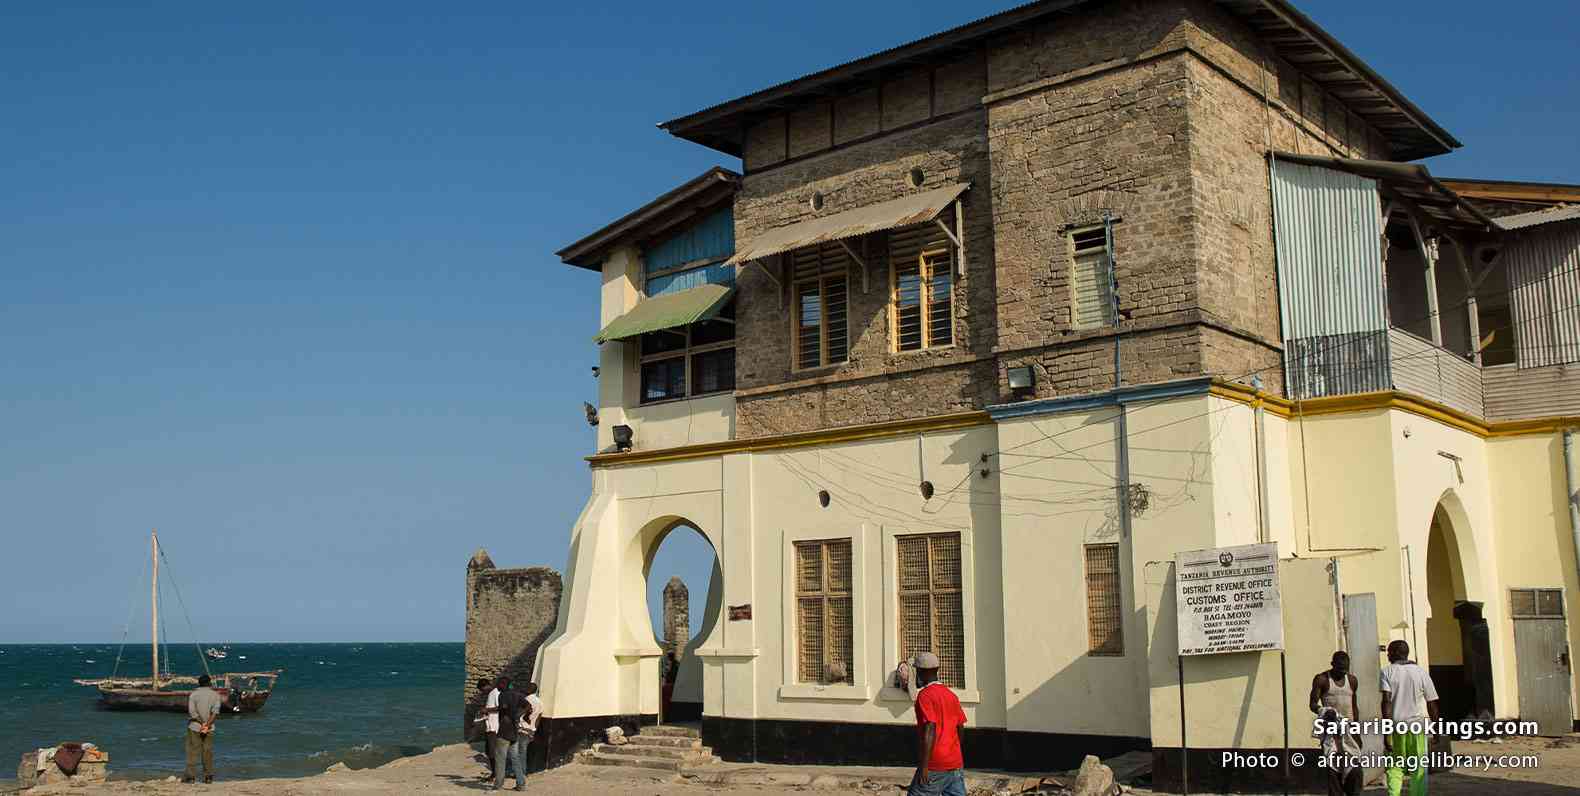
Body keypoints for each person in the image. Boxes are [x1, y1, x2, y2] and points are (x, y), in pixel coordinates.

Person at [1381, 640, 1439, 796]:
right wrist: (1436, 731)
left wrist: (1386, 732)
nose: (1387, 655)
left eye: (1389, 652)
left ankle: (1394, 794)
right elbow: (1432, 704)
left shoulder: (1387, 672)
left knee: (1394, 766)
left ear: (1395, 653)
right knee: (1418, 768)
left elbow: (1386, 702)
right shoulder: (1421, 672)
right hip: (1417, 728)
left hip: (1396, 728)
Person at [907, 653, 967, 796]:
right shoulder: (951, 695)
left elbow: (930, 727)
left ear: (922, 672)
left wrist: (925, 766)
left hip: (935, 763)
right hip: (955, 763)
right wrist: (955, 754)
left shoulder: (925, 696)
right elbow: (960, 727)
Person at [1309, 651, 1363, 796]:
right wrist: (1324, 710)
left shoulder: (1352, 680)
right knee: (1333, 770)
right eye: (1339, 669)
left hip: (1349, 731)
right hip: (1331, 732)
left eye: (1345, 669)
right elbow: (1313, 704)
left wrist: (1356, 729)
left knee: (1354, 769)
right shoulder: (1322, 679)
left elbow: (1354, 706)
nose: (1342, 672)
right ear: (1332, 664)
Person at [485, 676, 525, 791]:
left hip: (504, 731)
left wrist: (487, 710)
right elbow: (528, 706)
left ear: (504, 684)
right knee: (515, 758)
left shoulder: (502, 695)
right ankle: (521, 784)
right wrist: (518, 715)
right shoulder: (518, 694)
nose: (497, 686)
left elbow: (502, 709)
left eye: (499, 684)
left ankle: (498, 785)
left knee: (500, 759)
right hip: (514, 731)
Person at [184, 674, 222, 784]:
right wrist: (207, 724)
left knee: (192, 752)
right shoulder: (215, 695)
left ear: (199, 683)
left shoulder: (193, 695)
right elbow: (215, 712)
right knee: (207, 752)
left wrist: (201, 723)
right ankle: (208, 776)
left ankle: (191, 777)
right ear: (209, 683)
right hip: (209, 728)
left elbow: (192, 713)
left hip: (194, 727)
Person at [471, 678, 496, 779]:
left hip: (494, 727)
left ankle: (495, 773)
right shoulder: (491, 694)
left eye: (482, 690)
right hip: (490, 726)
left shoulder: (495, 693)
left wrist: (486, 710)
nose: (482, 692)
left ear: (485, 686)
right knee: (489, 751)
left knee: (492, 751)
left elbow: (502, 707)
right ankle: (495, 772)